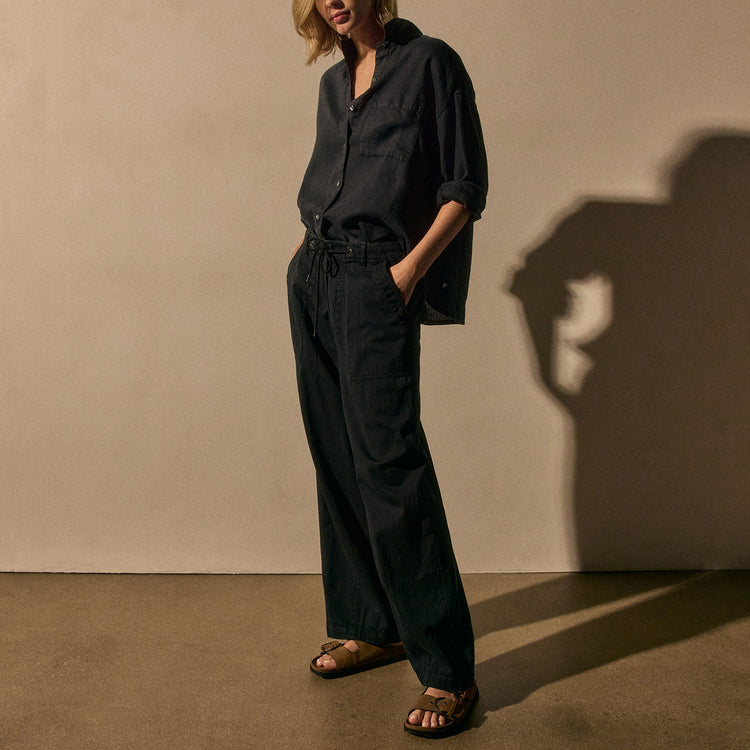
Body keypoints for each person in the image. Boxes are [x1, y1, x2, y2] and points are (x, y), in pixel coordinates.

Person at [287, 0, 488, 738]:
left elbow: (465, 186)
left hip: (377, 277)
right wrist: (305, 264)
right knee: (337, 456)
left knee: (390, 465)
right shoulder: (332, 82)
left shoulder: (431, 62)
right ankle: (372, 625)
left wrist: (404, 275)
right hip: (314, 273)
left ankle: (448, 670)